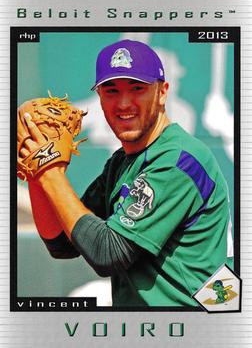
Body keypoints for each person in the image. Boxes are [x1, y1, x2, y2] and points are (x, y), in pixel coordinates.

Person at [19, 39, 233, 307]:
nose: (123, 103)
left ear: (162, 92)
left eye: (137, 88)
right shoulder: (122, 163)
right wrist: (37, 175)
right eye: (111, 90)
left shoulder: (179, 161)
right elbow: (64, 243)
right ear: (99, 97)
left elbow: (107, 253)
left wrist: (48, 168)